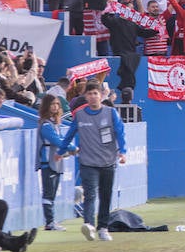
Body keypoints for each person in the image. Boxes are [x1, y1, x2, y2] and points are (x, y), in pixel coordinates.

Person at [58, 81, 128, 243]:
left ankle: (103, 228)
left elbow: (120, 133)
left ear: (101, 95)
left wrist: (123, 152)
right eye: (89, 94)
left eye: (95, 93)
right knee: (90, 195)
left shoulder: (110, 113)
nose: (92, 96)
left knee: (105, 196)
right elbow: (69, 134)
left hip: (108, 161)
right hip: (88, 162)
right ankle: (89, 225)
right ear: (85, 96)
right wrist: (61, 151)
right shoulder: (80, 115)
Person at [36, 95, 72, 231]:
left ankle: (51, 221)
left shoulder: (54, 123)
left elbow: (61, 139)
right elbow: (56, 140)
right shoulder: (45, 124)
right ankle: (49, 222)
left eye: (57, 104)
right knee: (48, 193)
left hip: (56, 162)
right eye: (52, 104)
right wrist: (71, 148)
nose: (55, 106)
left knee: (52, 193)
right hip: (48, 162)